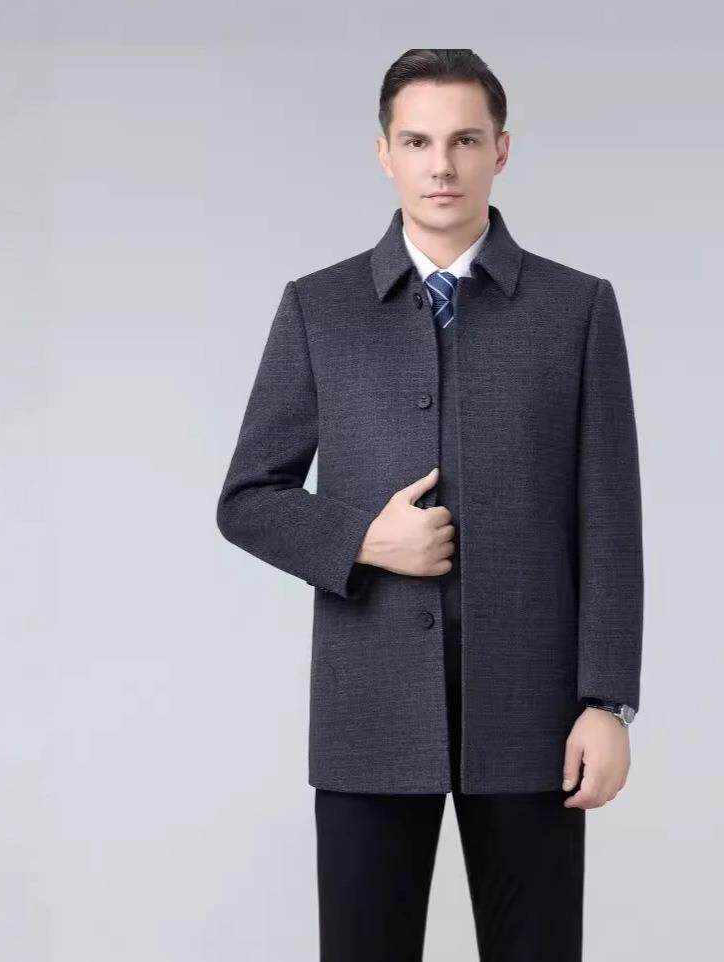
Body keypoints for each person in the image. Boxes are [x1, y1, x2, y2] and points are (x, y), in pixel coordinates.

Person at [216, 47, 643, 961]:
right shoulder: (320, 308)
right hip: (369, 710)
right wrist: (363, 539)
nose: (441, 165)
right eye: (417, 141)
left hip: (535, 713)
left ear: (501, 150)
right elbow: (248, 497)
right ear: (385, 154)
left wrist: (607, 702)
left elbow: (611, 522)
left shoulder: (575, 309)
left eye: (464, 140)